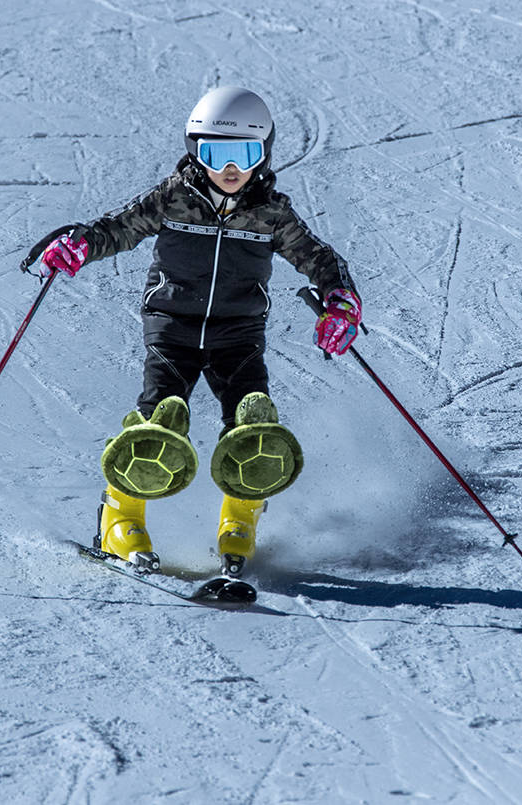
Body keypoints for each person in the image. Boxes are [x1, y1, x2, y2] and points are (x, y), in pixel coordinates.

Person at [21, 87, 361, 580]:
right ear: (195, 151)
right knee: (158, 421)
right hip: (172, 329)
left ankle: (239, 524)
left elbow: (321, 259)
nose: (229, 168)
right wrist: (80, 246)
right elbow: (119, 228)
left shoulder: (271, 213)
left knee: (252, 426)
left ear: (262, 153)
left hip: (238, 336)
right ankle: (121, 521)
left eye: (243, 155)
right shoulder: (174, 197)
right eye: (214, 153)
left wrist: (339, 300)